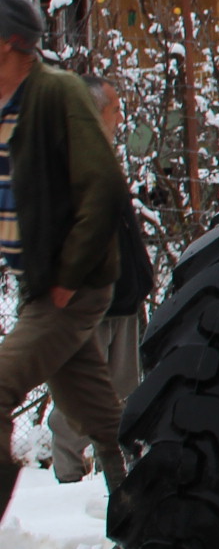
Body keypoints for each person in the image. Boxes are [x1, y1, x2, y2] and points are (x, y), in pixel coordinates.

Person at [0, 0, 129, 522]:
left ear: (9, 45)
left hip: (69, 287)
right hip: (42, 287)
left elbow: (102, 185)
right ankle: (148, 503)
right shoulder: (9, 103)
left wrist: (69, 277)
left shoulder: (56, 94)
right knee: (101, 418)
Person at [46, 76, 150, 484]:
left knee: (123, 394)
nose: (120, 117)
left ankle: (120, 481)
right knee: (77, 398)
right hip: (86, 305)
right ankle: (66, 484)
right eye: (115, 109)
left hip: (122, 300)